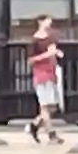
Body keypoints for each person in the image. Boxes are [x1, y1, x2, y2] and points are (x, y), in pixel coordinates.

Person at [25, 15, 62, 144]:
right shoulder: (34, 41)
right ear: (40, 22)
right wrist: (46, 55)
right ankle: (51, 134)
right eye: (47, 21)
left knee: (52, 107)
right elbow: (31, 60)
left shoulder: (50, 38)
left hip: (50, 73)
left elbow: (52, 55)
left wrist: (55, 69)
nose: (49, 23)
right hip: (40, 74)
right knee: (45, 106)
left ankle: (34, 125)